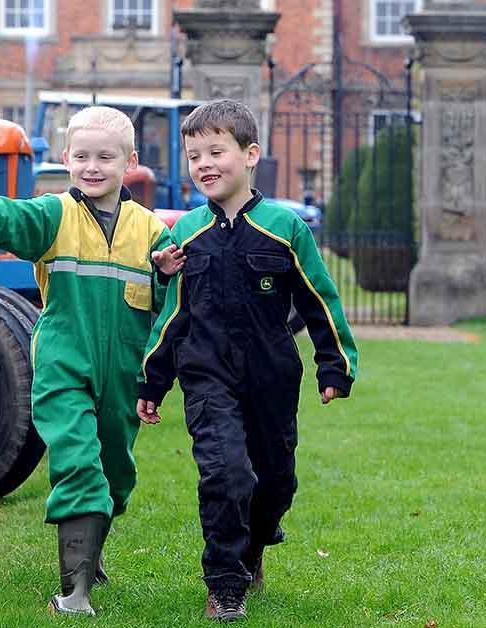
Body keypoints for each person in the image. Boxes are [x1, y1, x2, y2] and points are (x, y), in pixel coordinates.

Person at [0, 106, 184, 616]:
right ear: (67, 158)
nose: (92, 167)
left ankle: (91, 558)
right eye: (82, 156)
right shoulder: (57, 215)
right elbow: (16, 218)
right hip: (64, 366)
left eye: (105, 157)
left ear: (129, 163)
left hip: (122, 374)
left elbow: (168, 298)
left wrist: (163, 272)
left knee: (114, 471)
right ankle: (75, 592)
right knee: (77, 460)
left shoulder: (150, 231)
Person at [135, 99, 359, 622]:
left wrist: (335, 365)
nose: (204, 164)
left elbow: (319, 299)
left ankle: (255, 547)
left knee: (276, 481)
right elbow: (172, 314)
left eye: (216, 151)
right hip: (206, 373)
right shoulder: (185, 233)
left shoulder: (285, 227)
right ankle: (225, 583)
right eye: (194, 156)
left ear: (250, 154)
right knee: (227, 474)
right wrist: (153, 381)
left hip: (271, 375)